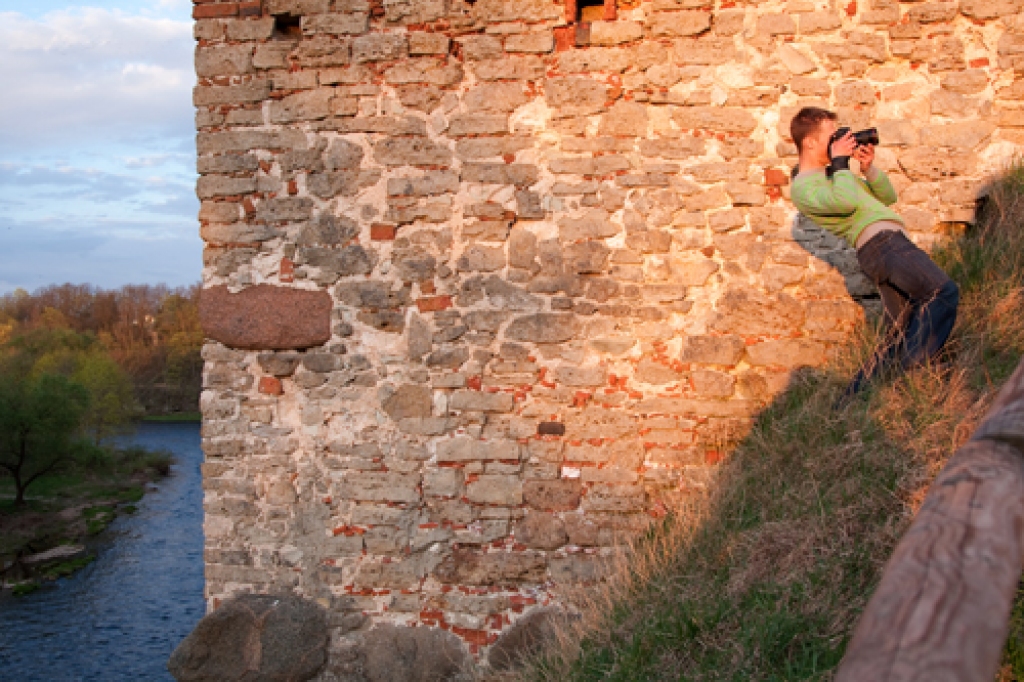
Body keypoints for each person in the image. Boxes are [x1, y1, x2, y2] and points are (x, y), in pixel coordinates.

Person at [789, 106, 960, 403]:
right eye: (833, 136)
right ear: (811, 143)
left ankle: (851, 402)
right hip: (882, 244)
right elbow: (845, 202)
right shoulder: (804, 186)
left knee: (901, 332)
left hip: (885, 244)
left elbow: (887, 197)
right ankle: (912, 374)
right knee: (942, 291)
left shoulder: (835, 174)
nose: (840, 141)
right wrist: (841, 162)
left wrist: (868, 169)